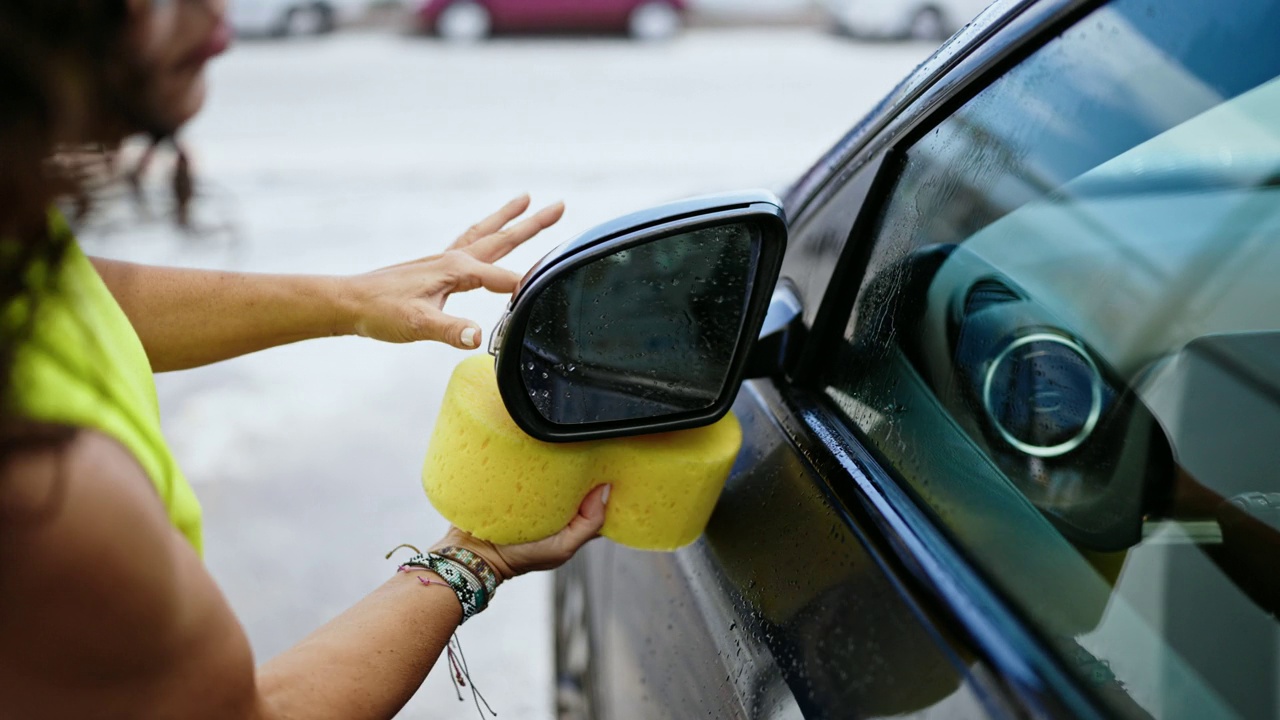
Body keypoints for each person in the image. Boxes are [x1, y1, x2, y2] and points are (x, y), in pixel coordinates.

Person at [0, 1, 611, 717]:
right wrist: (475, 559)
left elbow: (77, 299)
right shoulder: (46, 501)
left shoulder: (19, 257)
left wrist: (350, 300)